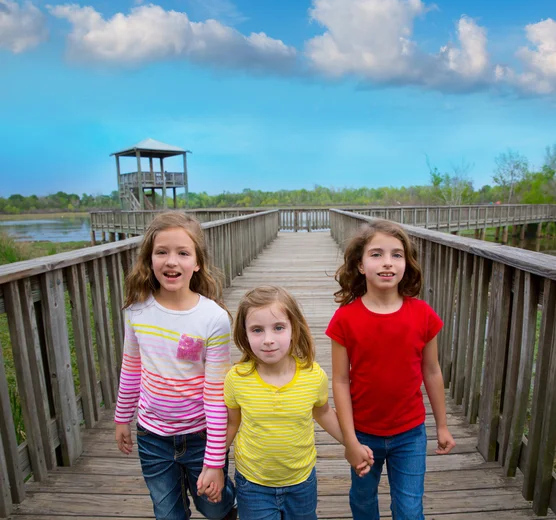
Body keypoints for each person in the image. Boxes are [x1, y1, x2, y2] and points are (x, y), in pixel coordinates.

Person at [326, 219, 456, 520]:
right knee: (362, 502)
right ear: (360, 265)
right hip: (363, 432)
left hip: (410, 434)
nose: (387, 263)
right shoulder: (345, 319)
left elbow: (432, 371)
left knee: (409, 511)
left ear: (406, 265)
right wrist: (350, 441)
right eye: (377, 254)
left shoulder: (423, 315)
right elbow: (341, 381)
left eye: (396, 255)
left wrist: (443, 425)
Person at [114, 211, 237, 520]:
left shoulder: (213, 318)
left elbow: (215, 393)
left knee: (214, 506)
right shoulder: (136, 311)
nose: (171, 261)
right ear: (149, 259)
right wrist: (121, 418)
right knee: (167, 513)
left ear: (197, 263)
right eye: (162, 252)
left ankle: (231, 504)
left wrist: (214, 461)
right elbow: (130, 368)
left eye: (183, 253)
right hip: (152, 435)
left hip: (200, 434)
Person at [224, 285, 373, 520]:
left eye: (279, 328)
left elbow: (323, 412)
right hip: (253, 483)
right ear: (244, 334)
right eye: (257, 330)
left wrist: (351, 443)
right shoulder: (237, 378)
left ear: (294, 329)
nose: (268, 340)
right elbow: (232, 423)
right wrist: (211, 465)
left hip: (301, 481)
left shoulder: (313, 376)